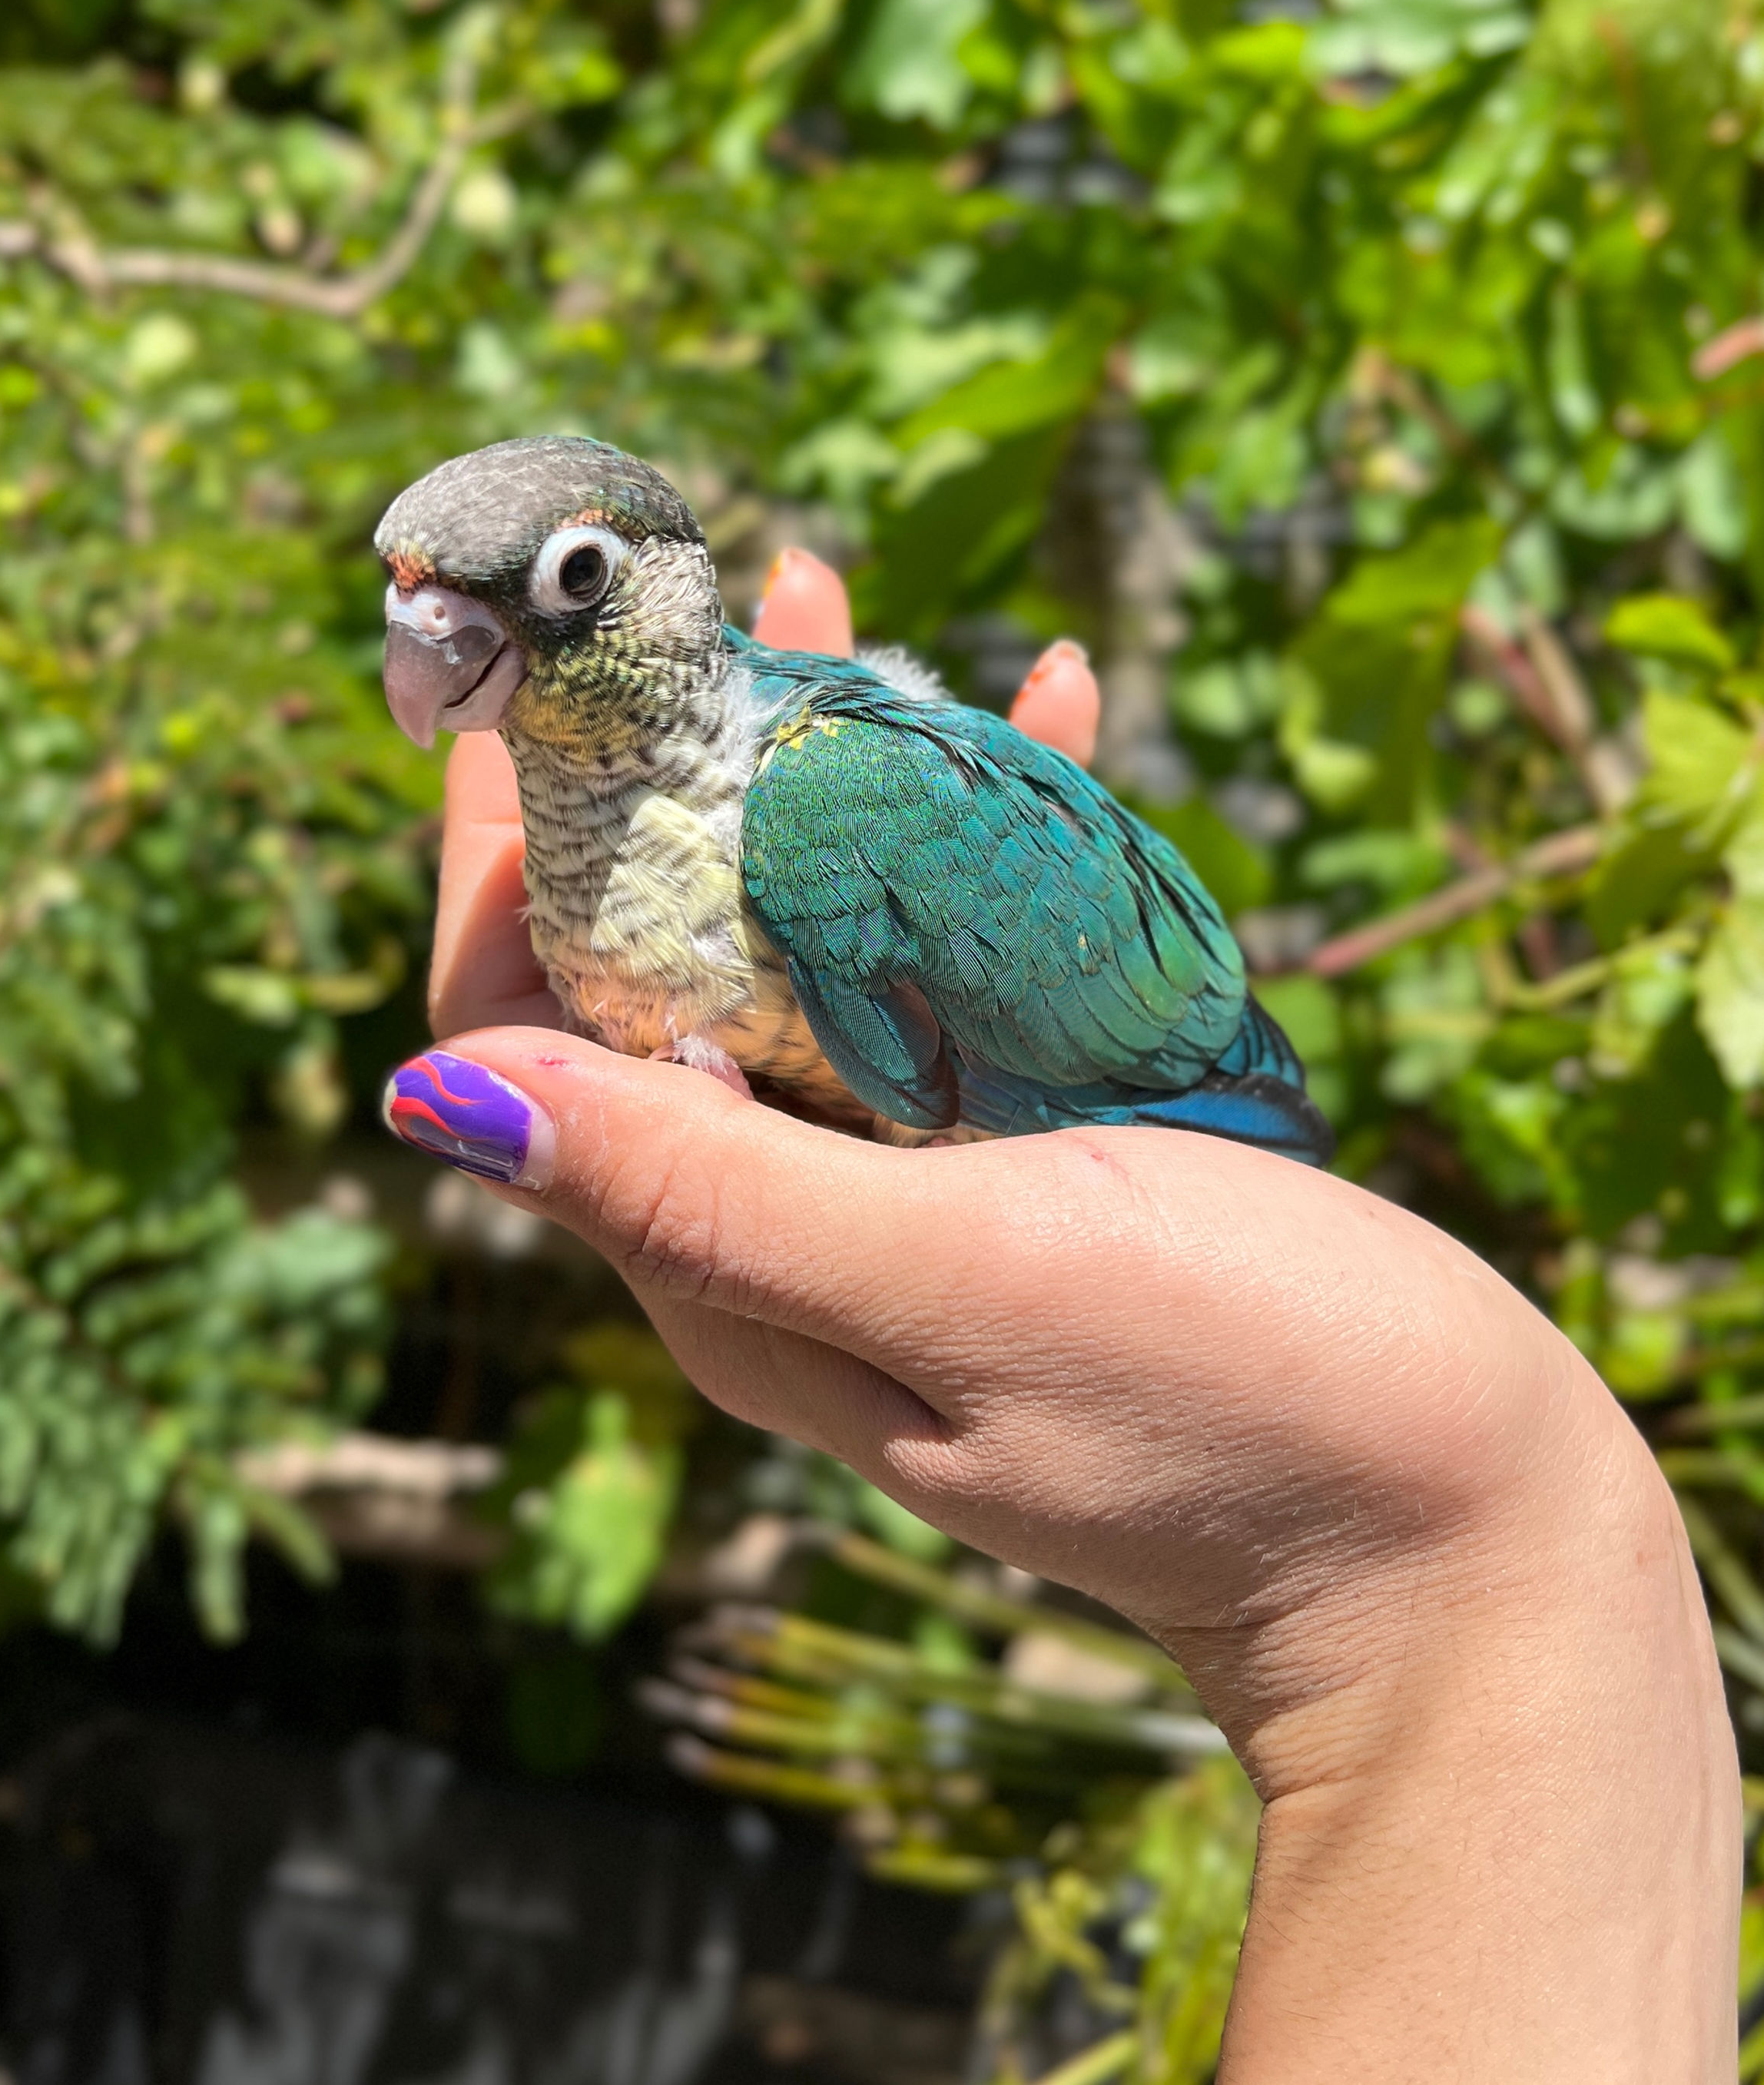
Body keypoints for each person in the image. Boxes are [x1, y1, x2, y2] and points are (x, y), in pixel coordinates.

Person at [383, 546, 1742, 2079]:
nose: (432, 640)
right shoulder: (586, 833)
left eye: (570, 575)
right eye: (411, 604)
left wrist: (1428, 1551)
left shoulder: (832, 804)